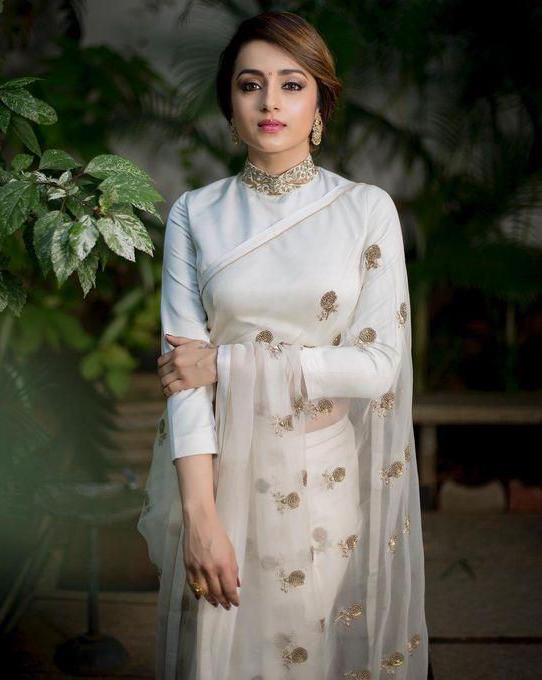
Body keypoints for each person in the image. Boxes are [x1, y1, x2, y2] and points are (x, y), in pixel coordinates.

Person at [138, 10, 429, 680]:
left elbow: (378, 368)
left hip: (319, 475)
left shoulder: (365, 210)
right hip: (217, 474)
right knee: (217, 656)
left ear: (319, 103)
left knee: (300, 653)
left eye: (292, 85)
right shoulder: (194, 213)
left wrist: (226, 362)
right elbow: (184, 382)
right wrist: (200, 516)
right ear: (230, 106)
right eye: (251, 85)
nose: (270, 101)